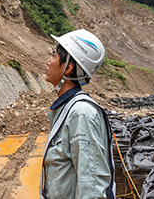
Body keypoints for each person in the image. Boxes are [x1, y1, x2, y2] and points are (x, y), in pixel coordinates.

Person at [40, 29, 115, 199]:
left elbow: (92, 186)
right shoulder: (70, 110)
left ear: (68, 68)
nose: (48, 61)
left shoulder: (81, 114)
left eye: (53, 56)